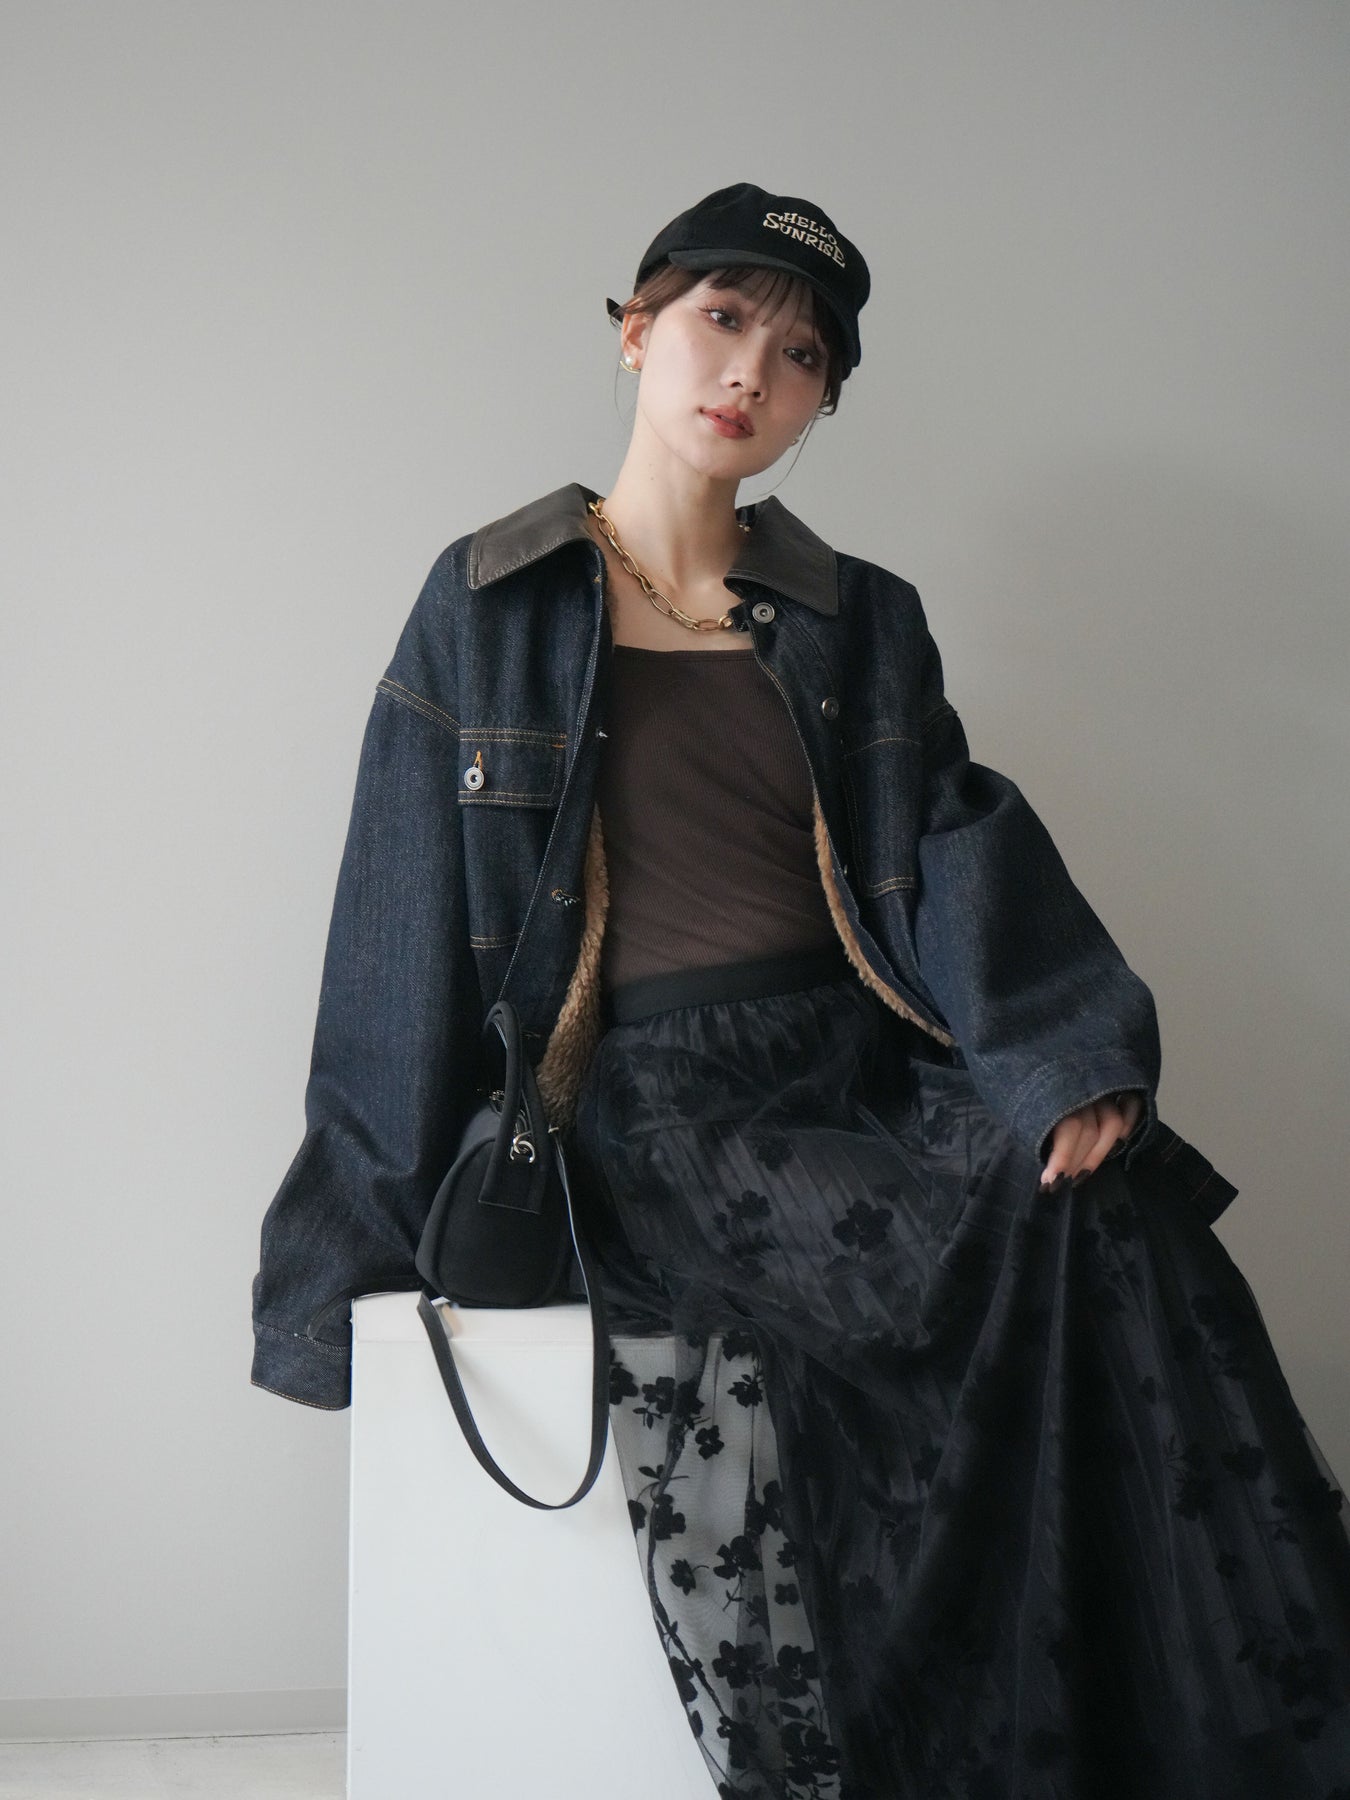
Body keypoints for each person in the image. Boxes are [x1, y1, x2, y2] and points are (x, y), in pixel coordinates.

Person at [251, 182, 1350, 1797]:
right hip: (662, 1103)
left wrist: (1062, 1057)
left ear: (821, 401)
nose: (749, 373)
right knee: (953, 1258)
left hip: (866, 1061)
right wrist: (341, 1271)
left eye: (800, 354)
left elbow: (953, 838)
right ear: (635, 332)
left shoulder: (858, 619)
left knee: (1117, 1216)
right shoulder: (493, 602)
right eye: (720, 321)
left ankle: (1184, 1738)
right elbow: (398, 913)